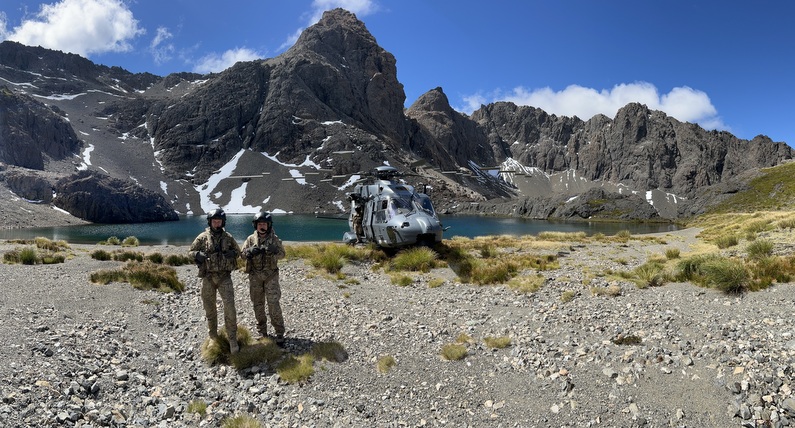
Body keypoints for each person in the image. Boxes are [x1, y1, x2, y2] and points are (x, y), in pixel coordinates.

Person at [189, 208, 241, 354]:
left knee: (230, 308)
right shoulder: (202, 238)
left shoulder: (228, 237)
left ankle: (232, 338)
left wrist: (233, 253)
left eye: (219, 221)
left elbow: (239, 252)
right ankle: (213, 336)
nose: (216, 223)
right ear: (210, 222)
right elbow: (190, 253)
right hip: (208, 278)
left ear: (223, 222)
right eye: (214, 221)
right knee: (209, 308)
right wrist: (197, 254)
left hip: (225, 278)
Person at [241, 211, 287, 344]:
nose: (262, 226)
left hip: (271, 277)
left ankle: (279, 332)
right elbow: (242, 254)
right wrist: (249, 252)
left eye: (264, 224)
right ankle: (262, 331)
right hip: (255, 277)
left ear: (269, 225)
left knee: (274, 304)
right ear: (255, 225)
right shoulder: (250, 239)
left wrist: (275, 251)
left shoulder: (275, 239)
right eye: (260, 224)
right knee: (258, 305)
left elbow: (283, 255)